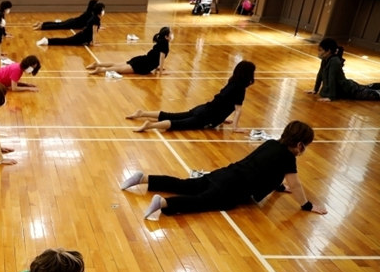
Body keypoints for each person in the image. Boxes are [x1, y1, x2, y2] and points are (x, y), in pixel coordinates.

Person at [119, 120, 327, 219]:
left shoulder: (272, 144)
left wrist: (279, 187)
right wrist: (307, 206)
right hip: (233, 188)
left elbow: (265, 167)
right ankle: (164, 202)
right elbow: (296, 183)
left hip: (224, 173)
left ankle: (145, 178)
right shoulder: (288, 157)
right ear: (300, 145)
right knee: (203, 202)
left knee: (187, 184)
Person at [127, 60, 255, 133]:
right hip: (207, 116)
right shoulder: (240, 88)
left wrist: (222, 119)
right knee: (178, 124)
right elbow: (238, 110)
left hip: (203, 108)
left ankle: (142, 113)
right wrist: (236, 128)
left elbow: (223, 102)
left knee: (173, 115)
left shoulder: (232, 82)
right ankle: (150, 125)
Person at [307, 38, 380, 102]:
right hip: (346, 88)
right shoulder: (325, 59)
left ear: (328, 51)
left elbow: (332, 78)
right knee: (366, 87)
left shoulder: (334, 61)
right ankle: (372, 86)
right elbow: (320, 74)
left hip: (349, 90)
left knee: (374, 94)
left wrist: (330, 97)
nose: (319, 52)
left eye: (320, 50)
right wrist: (315, 90)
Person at [86, 26, 171, 76]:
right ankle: (99, 70)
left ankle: (97, 64)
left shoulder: (160, 42)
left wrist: (158, 67)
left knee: (117, 64)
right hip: (143, 65)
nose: (172, 35)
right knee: (119, 69)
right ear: (166, 37)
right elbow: (161, 58)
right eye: (171, 34)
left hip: (141, 60)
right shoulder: (165, 45)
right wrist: (160, 72)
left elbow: (155, 57)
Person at [35, 3, 105, 47]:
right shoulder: (95, 19)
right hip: (81, 38)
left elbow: (91, 30)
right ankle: (47, 40)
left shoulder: (95, 18)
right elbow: (94, 33)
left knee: (65, 39)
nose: (103, 11)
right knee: (65, 41)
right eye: (102, 10)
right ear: (99, 11)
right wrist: (94, 43)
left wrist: (92, 41)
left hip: (82, 36)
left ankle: (47, 39)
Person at [32, 0, 98, 30]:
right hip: (73, 23)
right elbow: (90, 25)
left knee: (58, 24)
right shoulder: (90, 14)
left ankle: (42, 23)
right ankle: (42, 26)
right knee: (58, 26)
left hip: (72, 21)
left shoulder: (89, 12)